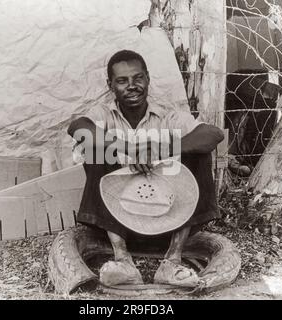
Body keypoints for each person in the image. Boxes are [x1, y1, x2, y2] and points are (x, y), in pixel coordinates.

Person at [68, 50, 224, 286]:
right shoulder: (103, 114)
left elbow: (213, 134)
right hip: (117, 225)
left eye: (137, 78)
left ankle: (172, 261)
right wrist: (129, 149)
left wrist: (163, 148)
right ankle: (123, 261)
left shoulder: (166, 116)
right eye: (122, 81)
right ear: (110, 85)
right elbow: (78, 127)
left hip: (168, 222)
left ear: (148, 78)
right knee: (96, 151)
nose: (132, 86)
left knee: (198, 153)